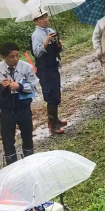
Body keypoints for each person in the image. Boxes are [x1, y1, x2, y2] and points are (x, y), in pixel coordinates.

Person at [0, 42, 38, 166]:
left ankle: (30, 162)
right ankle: (12, 165)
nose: (15, 59)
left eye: (17, 55)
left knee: (27, 136)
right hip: (6, 110)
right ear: (3, 57)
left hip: (23, 108)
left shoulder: (26, 67)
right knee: (8, 140)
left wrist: (19, 86)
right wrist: (0, 86)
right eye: (11, 56)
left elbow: (33, 86)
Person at [30, 7, 65, 135]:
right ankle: (53, 125)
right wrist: (46, 42)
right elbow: (37, 53)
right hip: (44, 70)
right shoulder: (36, 35)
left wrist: (58, 46)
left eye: (46, 16)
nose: (45, 20)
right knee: (50, 95)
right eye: (41, 18)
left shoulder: (50, 31)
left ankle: (56, 119)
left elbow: (56, 50)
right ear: (36, 21)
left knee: (56, 94)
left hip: (53, 66)